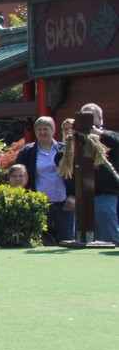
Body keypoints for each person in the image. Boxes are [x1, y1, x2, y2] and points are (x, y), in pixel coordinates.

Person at [13, 116, 74, 245]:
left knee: (67, 241)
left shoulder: (64, 149)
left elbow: (74, 174)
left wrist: (73, 196)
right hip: (40, 204)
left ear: (53, 130)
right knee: (43, 241)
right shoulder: (28, 151)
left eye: (45, 129)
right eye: (39, 129)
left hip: (64, 204)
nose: (42, 132)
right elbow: (18, 173)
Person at [79, 103, 119, 244]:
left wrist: (97, 133)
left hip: (106, 194)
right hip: (84, 196)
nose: (86, 120)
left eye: (90, 116)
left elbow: (116, 141)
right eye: (83, 117)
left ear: (100, 118)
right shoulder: (78, 139)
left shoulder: (110, 136)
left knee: (110, 238)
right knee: (88, 239)